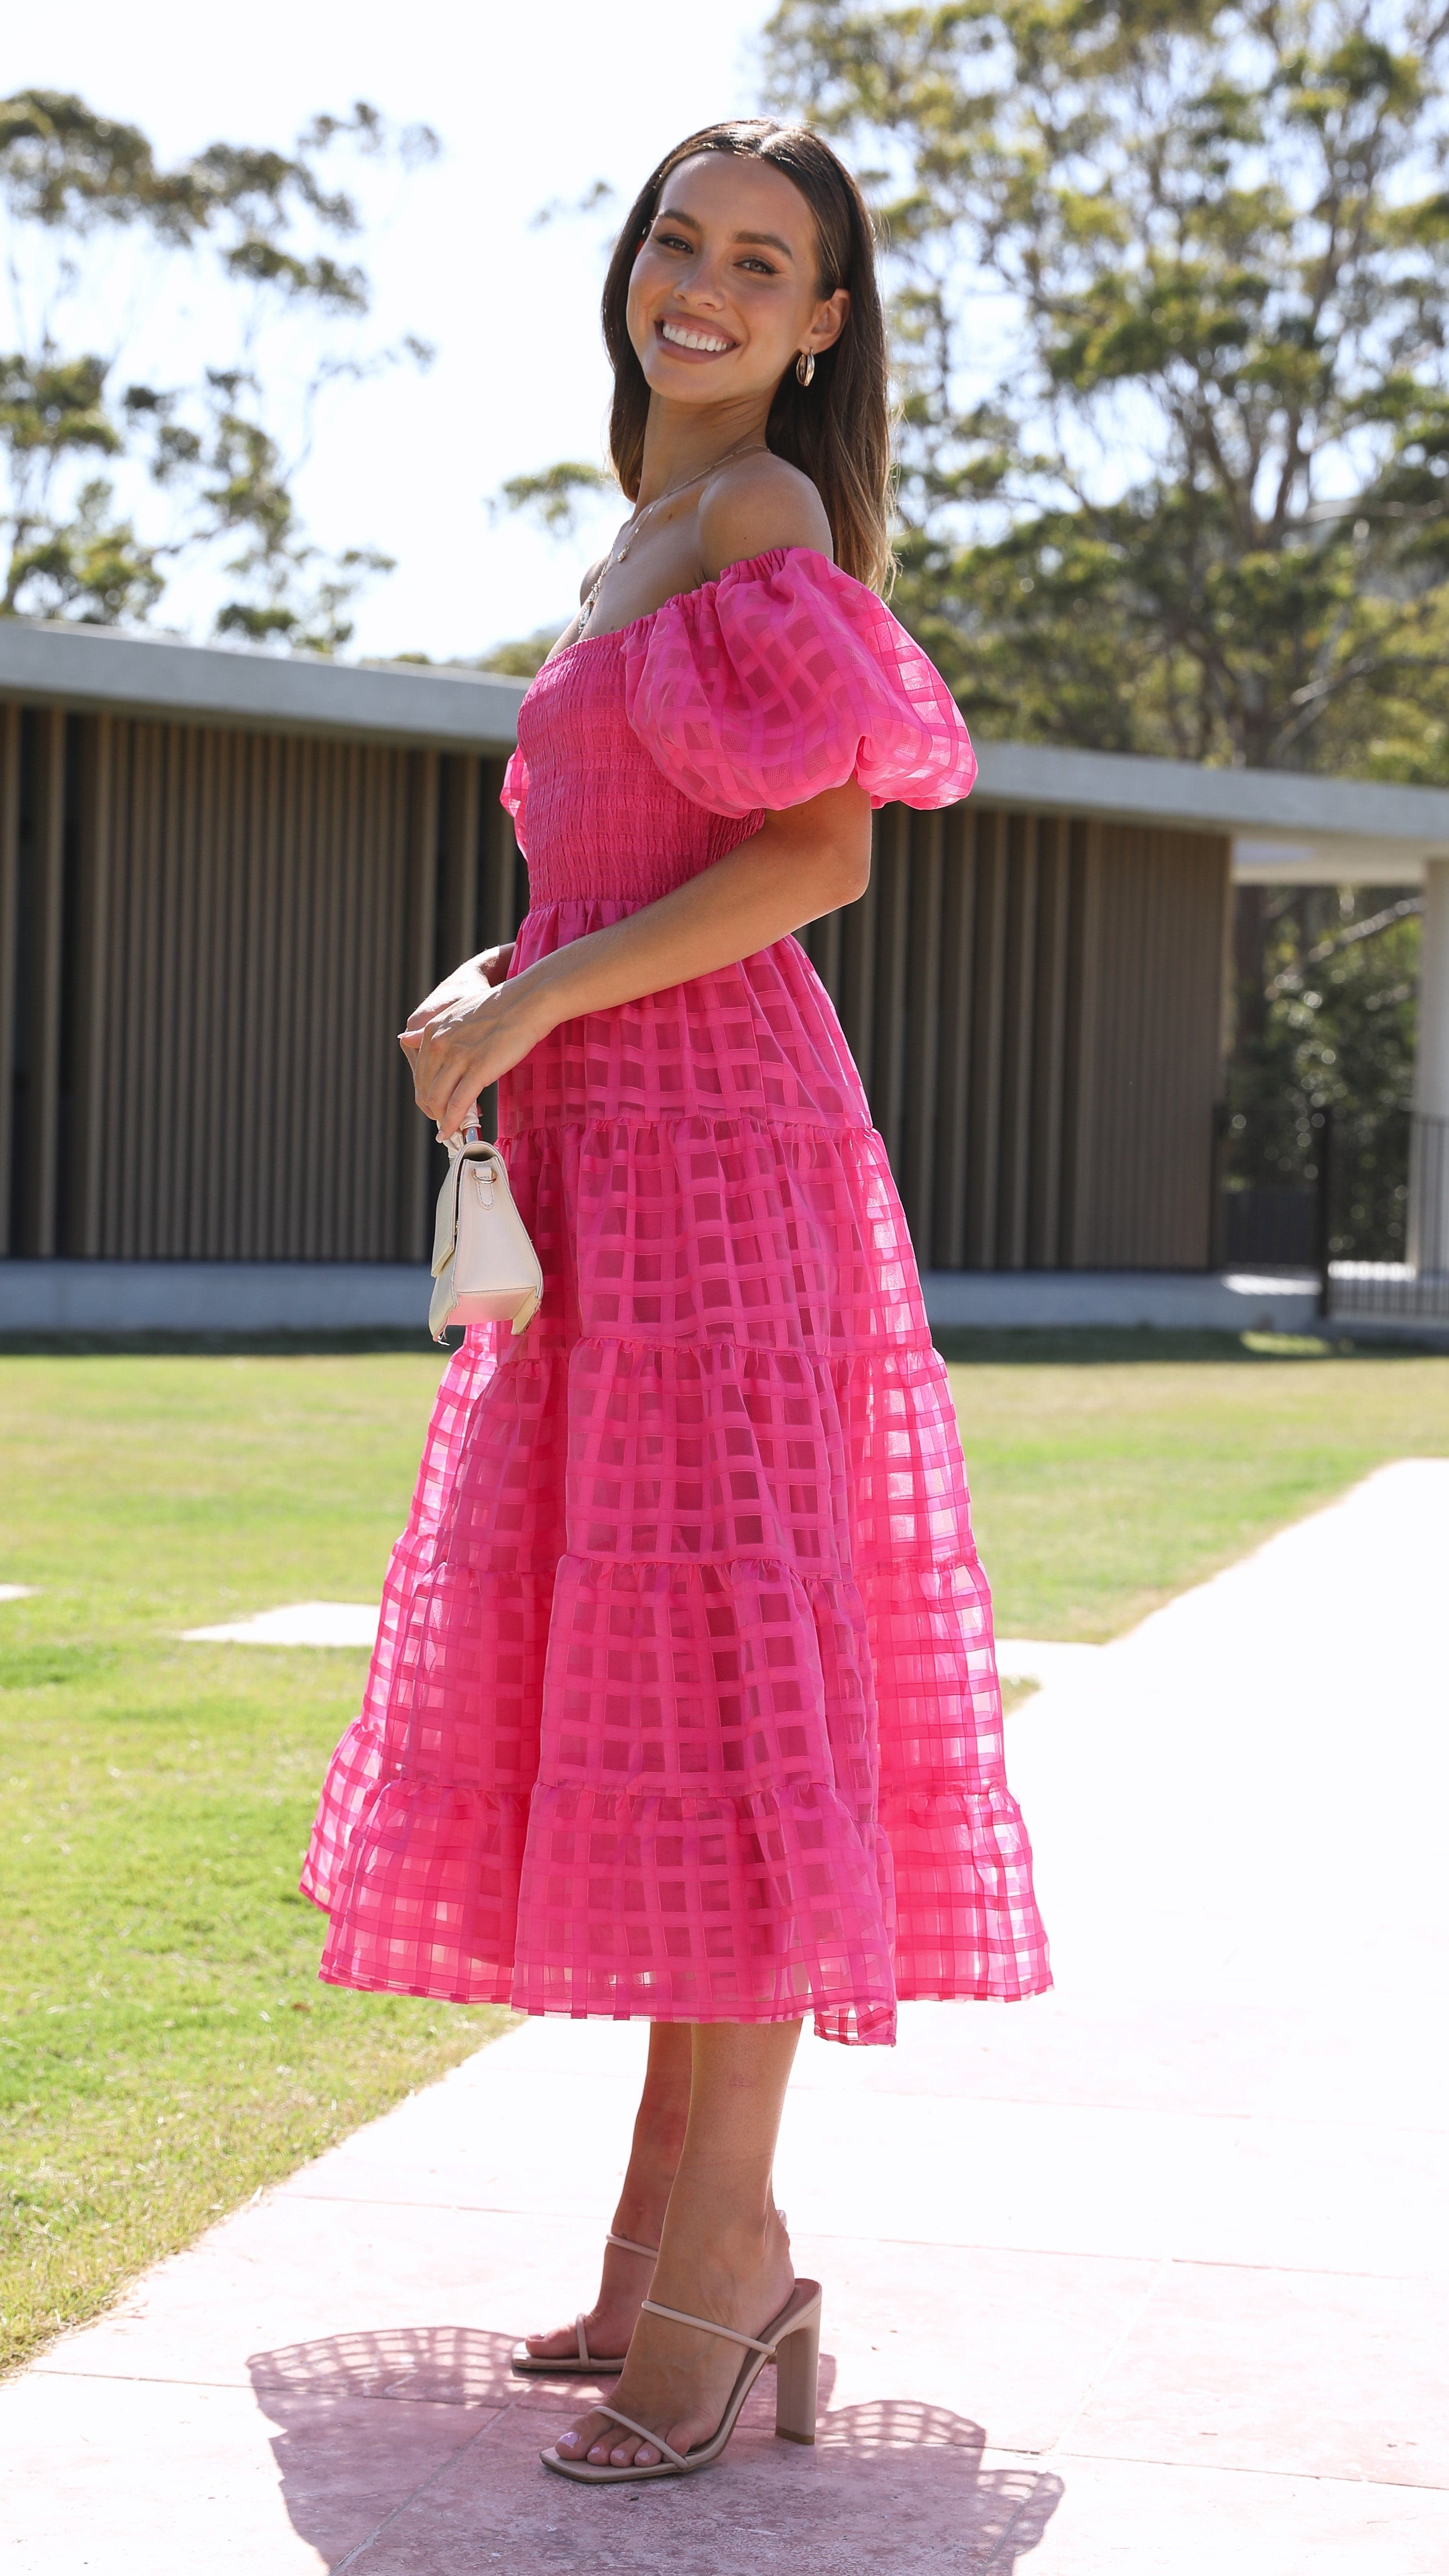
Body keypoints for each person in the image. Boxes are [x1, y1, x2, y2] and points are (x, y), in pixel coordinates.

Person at [302, 116, 1049, 2486]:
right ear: (635, 273)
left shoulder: (759, 528)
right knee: (657, 1679)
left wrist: (532, 1016)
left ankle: (725, 2277)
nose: (706, 287)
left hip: (724, 1168)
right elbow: (639, 856)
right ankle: (670, 2249)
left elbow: (819, 853)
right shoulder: (640, 538)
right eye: (680, 245)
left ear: (825, 323)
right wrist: (499, 979)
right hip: (620, 1167)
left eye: (765, 264)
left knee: (732, 1706)